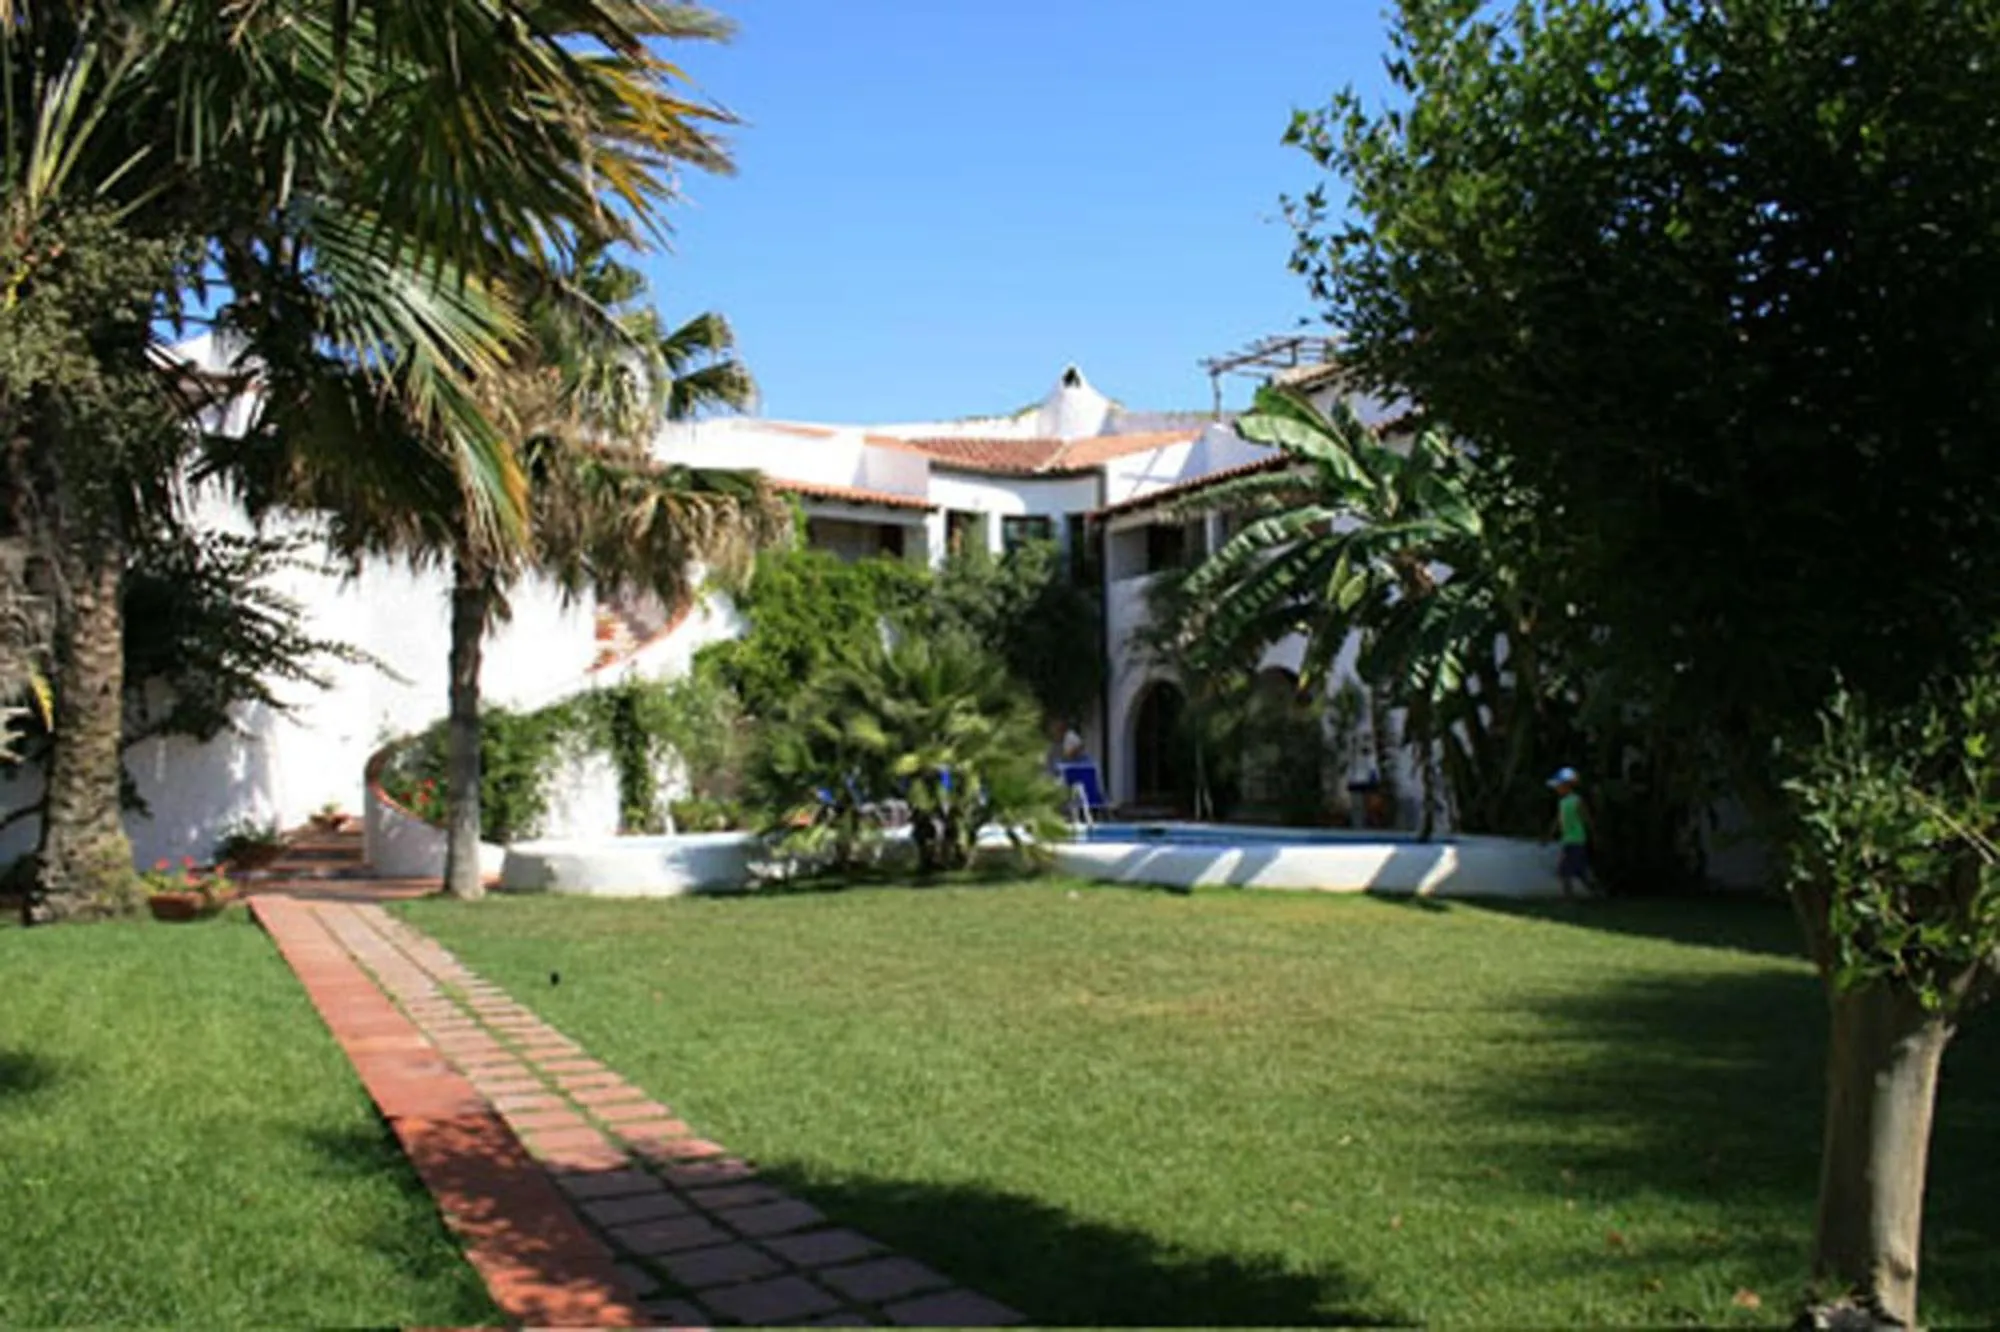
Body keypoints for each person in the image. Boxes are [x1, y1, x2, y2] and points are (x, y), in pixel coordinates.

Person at [1546, 766, 1597, 898]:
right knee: (1575, 871)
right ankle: (1595, 893)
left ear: (1566, 786)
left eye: (1559, 786)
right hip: (1567, 840)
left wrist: (1593, 834)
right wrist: (1550, 835)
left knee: (1567, 870)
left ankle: (1570, 897)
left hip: (1577, 839)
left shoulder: (1576, 800)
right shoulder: (1562, 802)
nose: (1557, 789)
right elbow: (1558, 820)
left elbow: (1586, 818)